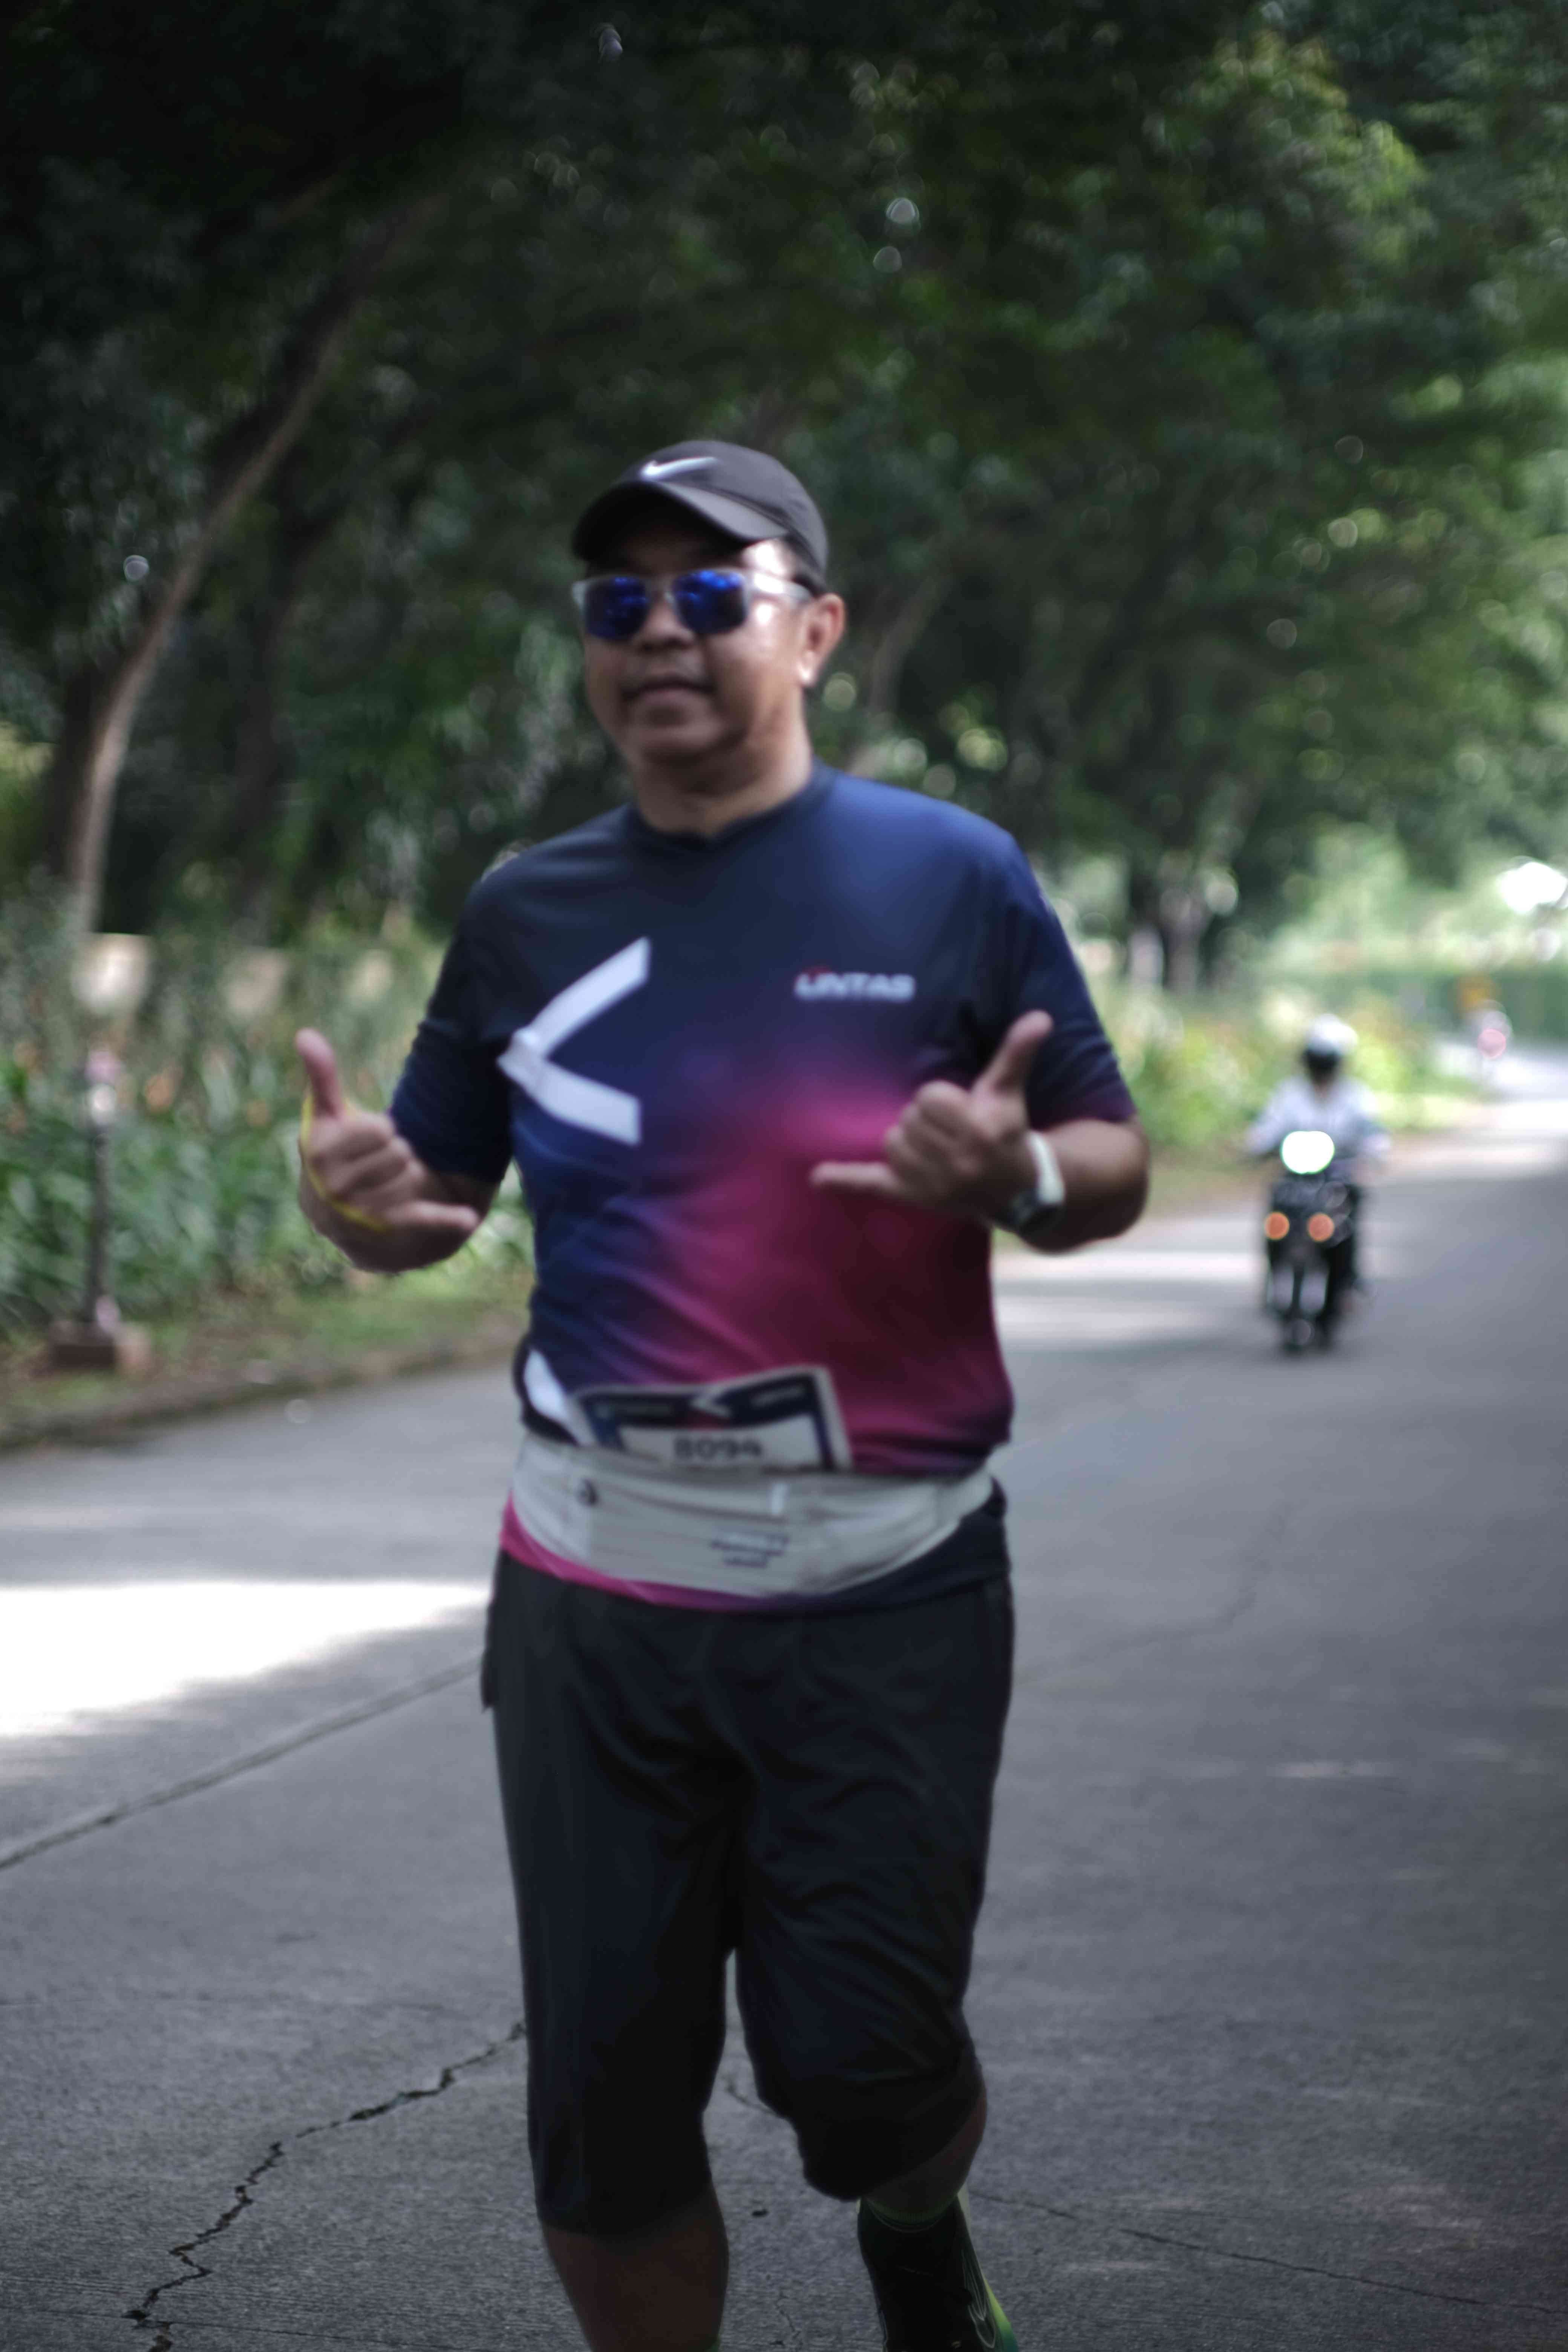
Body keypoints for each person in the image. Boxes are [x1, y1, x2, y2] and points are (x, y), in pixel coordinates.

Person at [296, 439, 1148, 2352]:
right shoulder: (527, 911)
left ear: (816, 631)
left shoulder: (951, 876)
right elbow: (426, 1204)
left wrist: (1015, 1172)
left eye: (710, 594)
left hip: (885, 1584)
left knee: (864, 2086)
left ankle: (914, 2222)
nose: (658, 632)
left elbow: (1110, 1160)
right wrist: (359, 1211)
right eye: (619, 601)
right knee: (606, 2122)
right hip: (593, 1588)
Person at [1247, 1016, 1388, 1290]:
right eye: (1316, 1060)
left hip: (1337, 1174)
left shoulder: (1355, 1096)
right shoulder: (1290, 1094)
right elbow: (1268, 1127)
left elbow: (1372, 1131)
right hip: (1295, 1175)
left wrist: (1373, 1153)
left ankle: (1347, 1280)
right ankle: (1272, 1273)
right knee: (1275, 1211)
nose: (1321, 1067)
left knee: (1348, 1213)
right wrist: (1254, 1145)